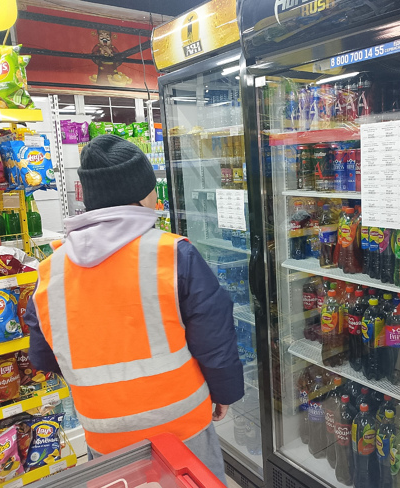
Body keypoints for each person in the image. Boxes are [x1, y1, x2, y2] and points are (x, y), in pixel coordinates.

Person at [24, 135, 243, 484]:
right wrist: (225, 392)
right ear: (142, 195)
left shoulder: (50, 271)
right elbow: (214, 338)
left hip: (104, 436)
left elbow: (43, 356)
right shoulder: (173, 254)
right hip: (181, 426)